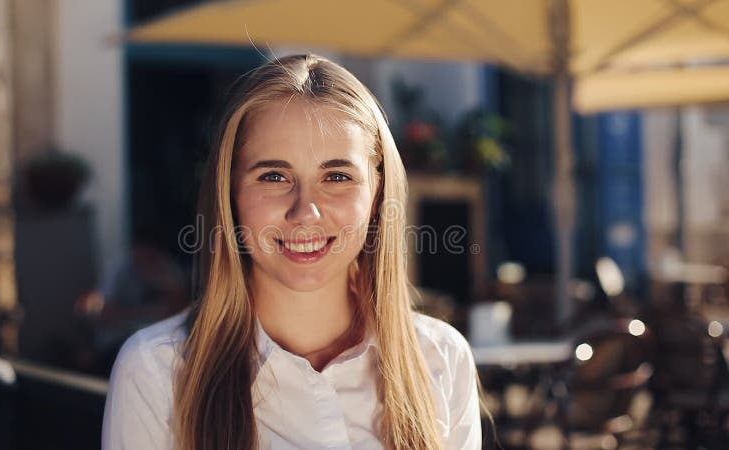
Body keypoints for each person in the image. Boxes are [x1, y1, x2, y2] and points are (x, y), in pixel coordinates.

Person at [102, 54, 482, 450]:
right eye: (274, 176)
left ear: (378, 194)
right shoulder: (156, 373)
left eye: (337, 176)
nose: (306, 211)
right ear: (229, 192)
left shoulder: (441, 360)